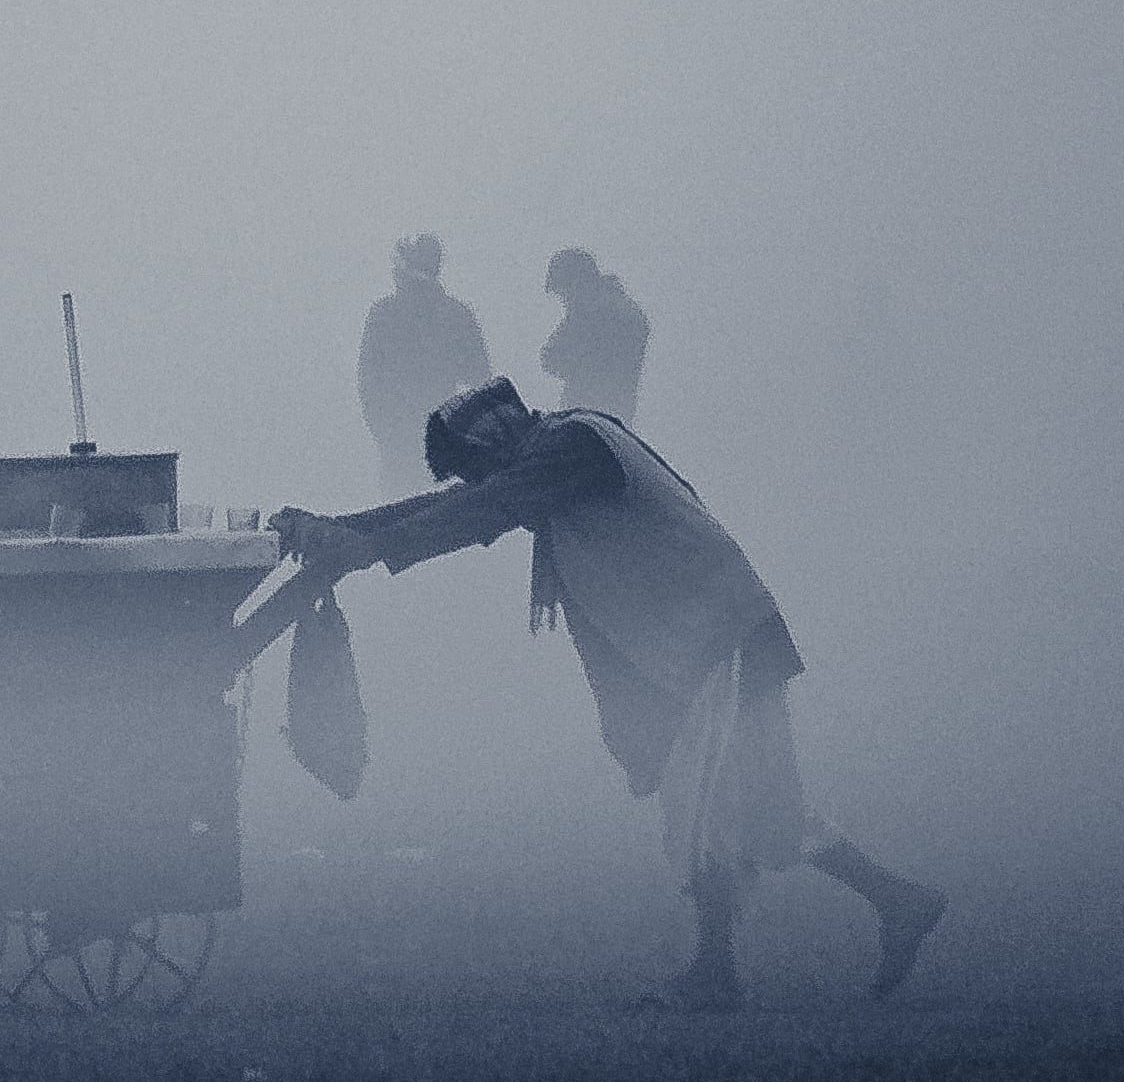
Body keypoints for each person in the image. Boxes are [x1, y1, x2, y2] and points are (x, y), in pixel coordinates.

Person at [272, 377, 946, 1009]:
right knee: (764, 809)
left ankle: (718, 972)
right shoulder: (555, 449)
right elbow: (467, 504)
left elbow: (478, 508)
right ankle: (895, 903)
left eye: (475, 466)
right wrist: (343, 528)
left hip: (721, 638)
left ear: (493, 439)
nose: (477, 481)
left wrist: (360, 543)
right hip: (712, 641)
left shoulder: (572, 446)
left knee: (702, 805)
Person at [357, 234, 493, 492]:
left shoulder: (384, 314)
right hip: (438, 433)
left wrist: (383, 428)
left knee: (400, 505)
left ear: (403, 269)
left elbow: (369, 381)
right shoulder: (456, 314)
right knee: (441, 507)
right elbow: (480, 377)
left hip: (403, 434)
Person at [539, 249, 651, 424]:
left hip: (592, 417)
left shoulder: (595, 313)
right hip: (605, 416)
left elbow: (553, 356)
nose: (565, 300)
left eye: (564, 292)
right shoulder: (605, 309)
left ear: (577, 283)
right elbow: (551, 356)